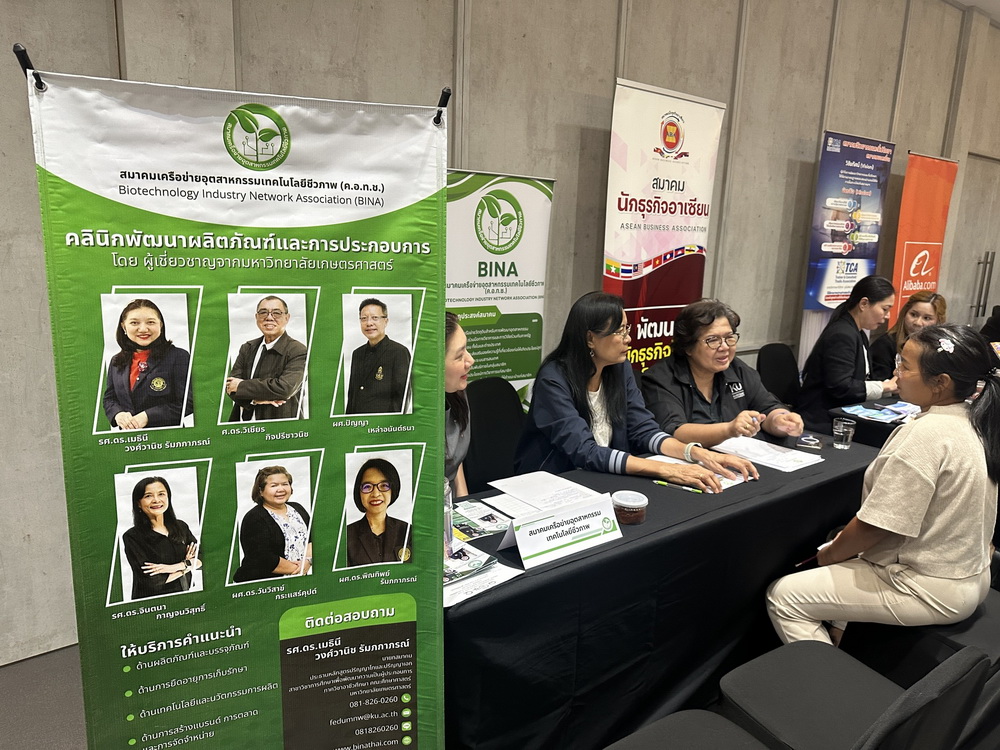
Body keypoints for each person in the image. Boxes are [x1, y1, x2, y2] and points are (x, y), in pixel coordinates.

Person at [766, 324, 999, 645]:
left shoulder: (925, 435)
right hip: (971, 575)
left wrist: (826, 558)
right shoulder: (976, 420)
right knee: (843, 546)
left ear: (940, 383)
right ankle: (841, 634)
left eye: (905, 366)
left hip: (929, 586)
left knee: (784, 596)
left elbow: (877, 527)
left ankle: (826, 676)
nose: (896, 373)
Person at [515, 292, 757, 492]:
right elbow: (584, 451)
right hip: (554, 483)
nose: (628, 339)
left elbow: (644, 429)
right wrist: (667, 469)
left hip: (603, 478)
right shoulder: (553, 379)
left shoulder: (619, 369)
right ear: (590, 338)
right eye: (619, 331)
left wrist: (697, 454)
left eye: (627, 329)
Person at [642, 299, 804, 447]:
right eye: (713, 340)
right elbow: (674, 431)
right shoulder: (661, 378)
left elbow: (767, 408)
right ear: (688, 347)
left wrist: (780, 420)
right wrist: (729, 429)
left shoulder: (736, 369)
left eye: (729, 338)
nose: (725, 347)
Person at [797, 276, 899, 433]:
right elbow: (840, 387)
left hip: (841, 415)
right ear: (864, 304)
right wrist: (884, 387)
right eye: (885, 309)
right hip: (822, 420)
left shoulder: (859, 333)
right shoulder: (842, 334)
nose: (887, 316)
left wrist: (888, 387)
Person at [103, 299, 193, 430]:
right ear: (123, 327)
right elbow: (110, 399)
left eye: (150, 322)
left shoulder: (178, 356)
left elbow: (189, 402)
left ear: (160, 325)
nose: (143, 329)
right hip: (129, 438)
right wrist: (118, 414)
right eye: (134, 323)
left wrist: (148, 416)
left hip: (169, 438)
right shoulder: (116, 361)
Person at [226, 296, 307, 421]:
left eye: (276, 313)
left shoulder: (298, 350)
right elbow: (230, 386)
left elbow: (285, 389)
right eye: (263, 312)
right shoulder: (247, 348)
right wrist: (255, 400)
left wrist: (241, 386)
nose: (269, 317)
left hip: (281, 426)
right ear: (256, 317)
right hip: (243, 425)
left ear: (287, 318)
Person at [122, 476, 201, 599]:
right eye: (148, 496)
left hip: (185, 594)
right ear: (138, 503)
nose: (156, 500)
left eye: (161, 494)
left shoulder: (181, 526)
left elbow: (200, 559)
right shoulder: (132, 537)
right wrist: (187, 566)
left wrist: (173, 567)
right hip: (153, 603)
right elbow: (152, 582)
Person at [233, 466, 312, 582]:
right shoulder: (254, 518)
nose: (281, 489)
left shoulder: (298, 508)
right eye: (274, 485)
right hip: (262, 585)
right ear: (261, 491)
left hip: (298, 580)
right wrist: (299, 569)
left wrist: (308, 561)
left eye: (285, 484)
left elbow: (312, 539)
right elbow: (262, 557)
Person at [346, 298, 412, 414]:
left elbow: (402, 397)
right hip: (358, 422)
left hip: (384, 423)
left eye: (375, 318)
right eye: (364, 318)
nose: (369, 323)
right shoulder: (357, 353)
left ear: (385, 321)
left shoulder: (399, 352)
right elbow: (352, 395)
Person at [346, 458, 413, 566]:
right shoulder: (346, 536)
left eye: (384, 486)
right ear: (359, 492)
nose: (376, 494)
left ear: (393, 489)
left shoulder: (408, 532)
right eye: (367, 487)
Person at [869, 291, 947, 380]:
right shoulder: (884, 345)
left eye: (927, 318)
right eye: (913, 315)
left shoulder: (942, 347)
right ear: (904, 314)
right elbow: (881, 384)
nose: (917, 323)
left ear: (938, 321)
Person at [445, 312, 475, 498]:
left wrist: (464, 499)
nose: (470, 360)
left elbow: (454, 459)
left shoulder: (458, 391)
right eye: (459, 356)